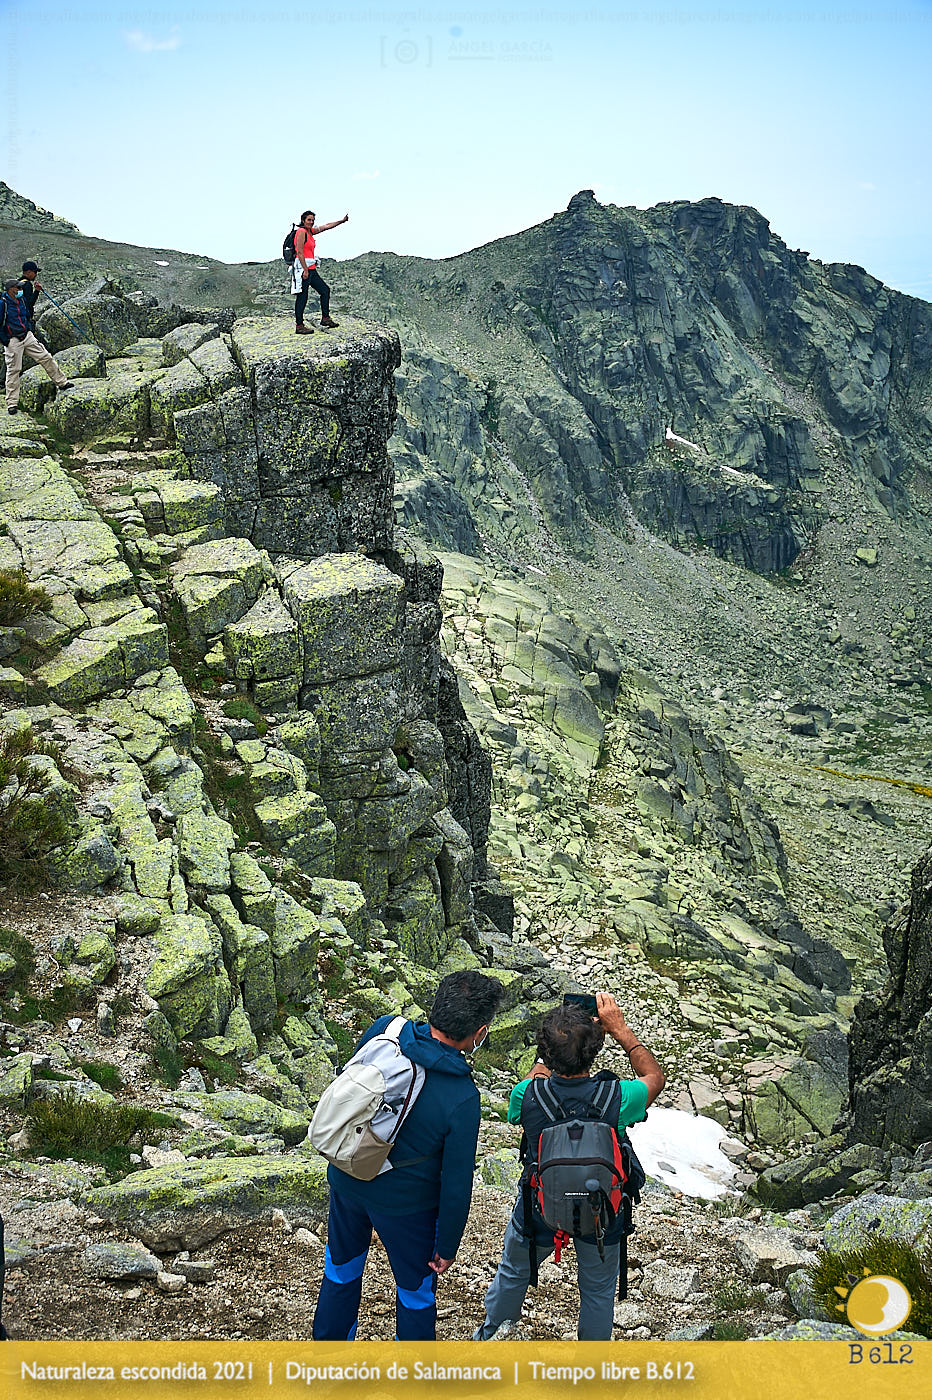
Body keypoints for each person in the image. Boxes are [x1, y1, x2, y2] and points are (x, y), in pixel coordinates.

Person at [313, 969, 506, 1342]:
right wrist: (447, 1244)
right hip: (406, 1208)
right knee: (414, 1292)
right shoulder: (462, 1098)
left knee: (340, 1270)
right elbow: (456, 1182)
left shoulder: (385, 1030)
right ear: (478, 1032)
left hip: (347, 1177)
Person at [474, 992, 665, 1342]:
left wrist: (549, 1053)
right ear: (596, 1049)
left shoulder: (526, 1096)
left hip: (539, 1209)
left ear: (545, 1053)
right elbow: (654, 1076)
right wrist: (621, 1030)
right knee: (597, 1292)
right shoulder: (619, 1097)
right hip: (602, 1212)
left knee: (515, 1272)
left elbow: (530, 1086)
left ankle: (489, 1340)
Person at [1, 278, 72, 414]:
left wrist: (28, 329)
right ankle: (12, 403)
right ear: (11, 290)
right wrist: (6, 341)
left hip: (26, 336)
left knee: (46, 357)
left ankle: (62, 382)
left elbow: (27, 314)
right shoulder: (2, 304)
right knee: (14, 370)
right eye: (18, 288)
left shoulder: (20, 300)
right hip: (13, 340)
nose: (21, 290)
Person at [291, 209, 348, 334]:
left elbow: (326, 226)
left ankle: (325, 318)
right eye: (309, 220)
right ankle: (299, 325)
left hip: (311, 269)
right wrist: (305, 270)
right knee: (302, 297)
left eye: (312, 220)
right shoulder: (301, 232)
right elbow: (300, 252)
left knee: (324, 290)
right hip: (303, 269)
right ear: (303, 220)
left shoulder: (310, 231)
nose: (311, 222)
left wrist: (342, 221)